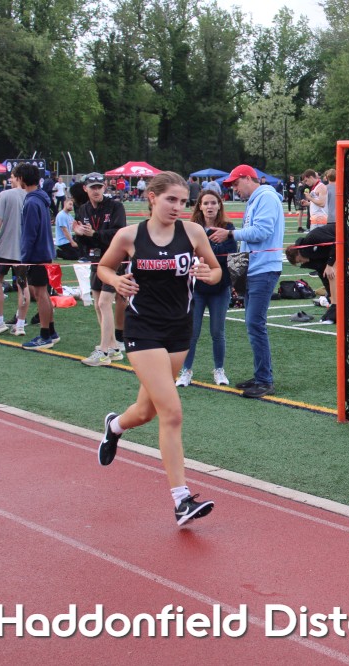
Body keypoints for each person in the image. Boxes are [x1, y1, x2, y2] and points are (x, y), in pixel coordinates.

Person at [96, 171, 222, 525]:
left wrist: (207, 274)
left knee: (145, 411)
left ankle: (115, 426)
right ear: (152, 197)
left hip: (179, 329)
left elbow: (216, 272)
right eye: (171, 199)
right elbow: (104, 267)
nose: (178, 207)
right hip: (143, 330)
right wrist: (116, 279)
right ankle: (182, 500)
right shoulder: (129, 235)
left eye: (183, 201)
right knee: (172, 412)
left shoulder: (193, 232)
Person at [209, 164, 284, 398]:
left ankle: (265, 380)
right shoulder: (256, 200)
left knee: (255, 324)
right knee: (253, 324)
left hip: (264, 269)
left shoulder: (266, 198)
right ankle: (261, 375)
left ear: (247, 178)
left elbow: (262, 232)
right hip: (254, 268)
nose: (234, 189)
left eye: (235, 183)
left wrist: (230, 233)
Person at [176, 190, 237, 387]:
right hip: (195, 288)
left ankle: (219, 369)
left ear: (219, 205)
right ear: (200, 206)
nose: (210, 206)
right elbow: (185, 253)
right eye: (206, 203)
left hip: (220, 287)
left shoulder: (227, 228)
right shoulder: (191, 228)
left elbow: (229, 254)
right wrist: (210, 249)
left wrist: (203, 249)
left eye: (213, 203)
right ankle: (186, 370)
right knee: (191, 332)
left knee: (217, 332)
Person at [74, 172, 127, 367]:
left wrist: (94, 234)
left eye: (99, 187)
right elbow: (82, 240)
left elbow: (119, 233)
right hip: (95, 259)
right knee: (98, 304)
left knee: (105, 303)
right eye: (92, 187)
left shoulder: (115, 206)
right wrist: (78, 234)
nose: (96, 191)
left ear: (104, 187)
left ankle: (103, 352)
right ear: (85, 189)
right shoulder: (83, 209)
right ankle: (112, 347)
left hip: (114, 259)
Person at [15, 163, 59, 349]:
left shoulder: (32, 202)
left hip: (37, 255)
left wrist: (23, 259)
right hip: (43, 253)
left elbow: (29, 234)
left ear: (22, 179)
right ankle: (51, 332)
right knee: (43, 293)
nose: (14, 181)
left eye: (16, 177)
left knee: (41, 294)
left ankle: (45, 335)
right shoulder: (39, 198)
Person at [0, 169, 31, 336]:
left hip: (5, 249)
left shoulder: (5, 195)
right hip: (24, 251)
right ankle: (20, 324)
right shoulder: (32, 196)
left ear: (19, 177)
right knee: (23, 285)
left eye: (12, 177)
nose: (10, 180)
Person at [54, 196, 82, 261]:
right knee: (75, 256)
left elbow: (74, 226)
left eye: (72, 205)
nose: (71, 206)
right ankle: (57, 253)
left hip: (68, 240)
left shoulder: (69, 215)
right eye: (70, 204)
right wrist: (72, 242)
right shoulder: (61, 215)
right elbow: (65, 230)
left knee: (81, 251)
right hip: (63, 242)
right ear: (65, 203)